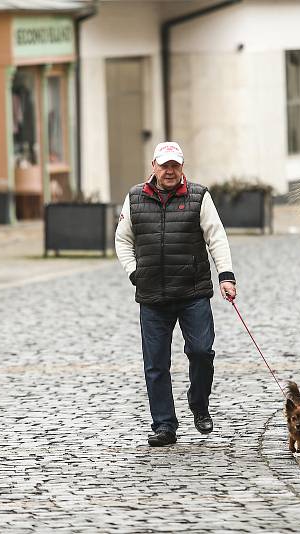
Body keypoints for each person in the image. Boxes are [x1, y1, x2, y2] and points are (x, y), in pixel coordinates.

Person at [115, 141, 237, 447]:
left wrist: (226, 276)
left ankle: (199, 403)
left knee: (201, 352)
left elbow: (216, 236)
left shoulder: (199, 196)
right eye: (164, 165)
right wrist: (134, 272)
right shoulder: (134, 198)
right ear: (153, 166)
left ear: (182, 168)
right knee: (156, 364)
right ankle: (164, 425)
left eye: (175, 166)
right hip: (153, 296)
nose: (169, 171)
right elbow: (122, 239)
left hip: (193, 292)